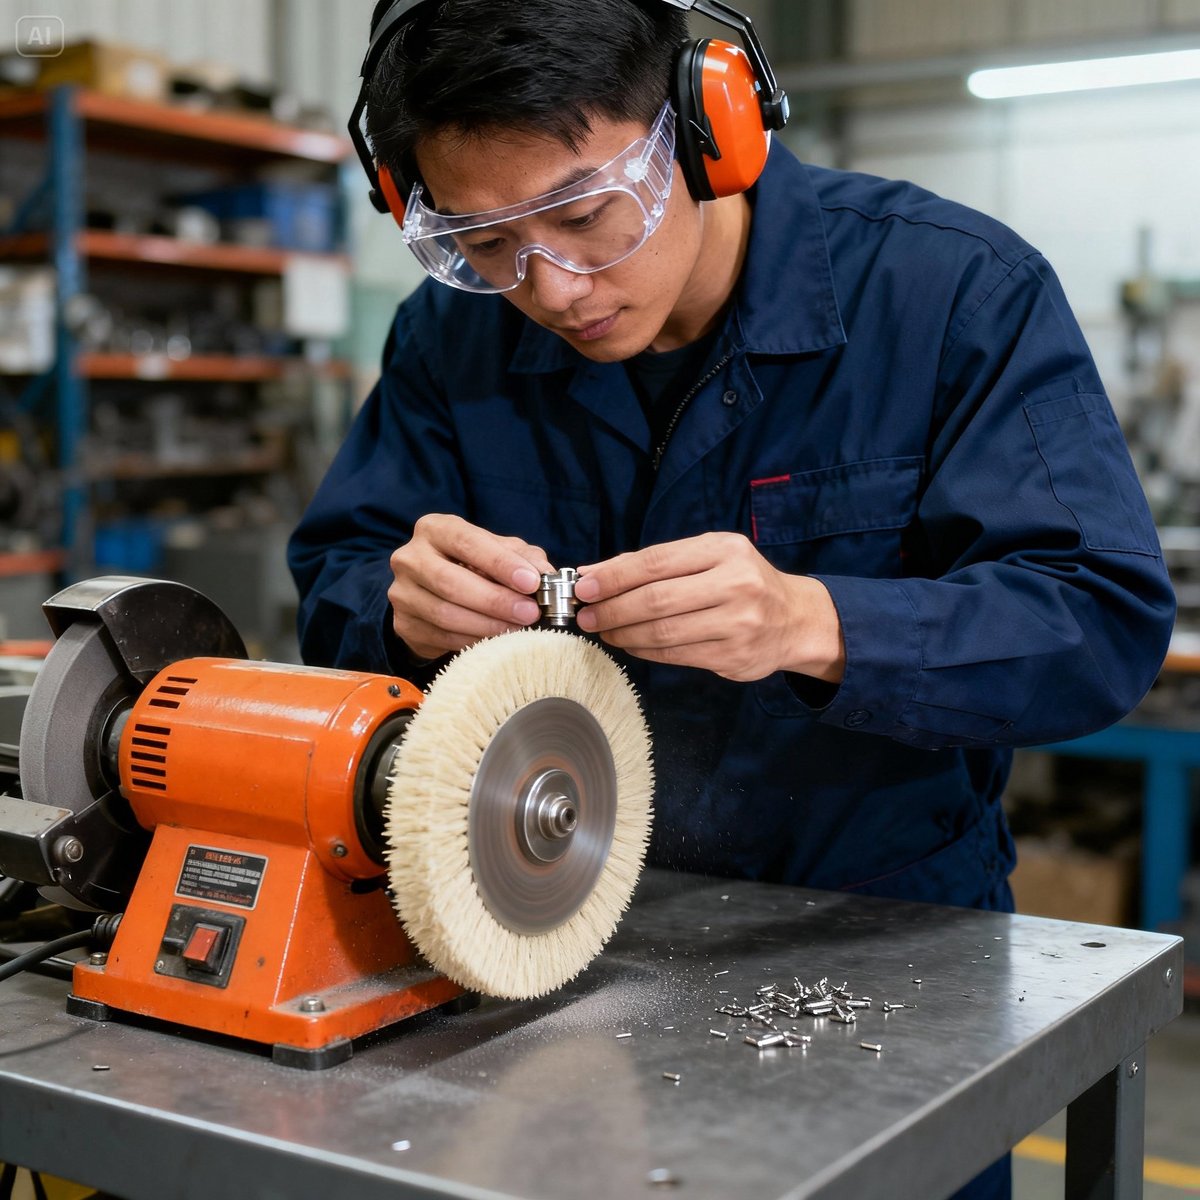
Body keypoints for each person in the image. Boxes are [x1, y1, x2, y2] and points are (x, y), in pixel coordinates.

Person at [288, 4, 1175, 1194]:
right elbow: (340, 570)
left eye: (584, 213)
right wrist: (396, 608)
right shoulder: (453, 342)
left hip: (887, 948)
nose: (549, 285)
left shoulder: (951, 294)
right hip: (537, 946)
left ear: (709, 130)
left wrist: (821, 625)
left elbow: (1100, 619)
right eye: (485, 238)